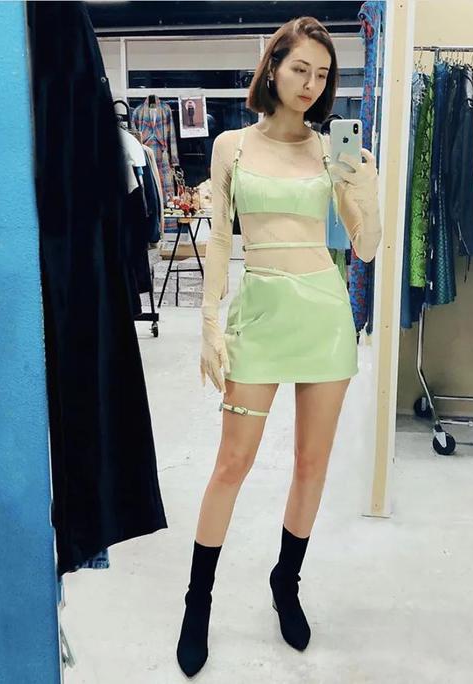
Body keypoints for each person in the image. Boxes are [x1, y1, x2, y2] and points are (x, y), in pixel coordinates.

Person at [177, 16, 382, 677]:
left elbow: (366, 247)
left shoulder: (330, 151)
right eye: (300, 69)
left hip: (323, 316)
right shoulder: (232, 146)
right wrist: (209, 323)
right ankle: (198, 602)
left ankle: (285, 583)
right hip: (260, 315)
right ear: (273, 68)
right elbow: (218, 240)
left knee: (311, 464)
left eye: (322, 74)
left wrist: (367, 192)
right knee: (231, 464)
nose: (311, 84)